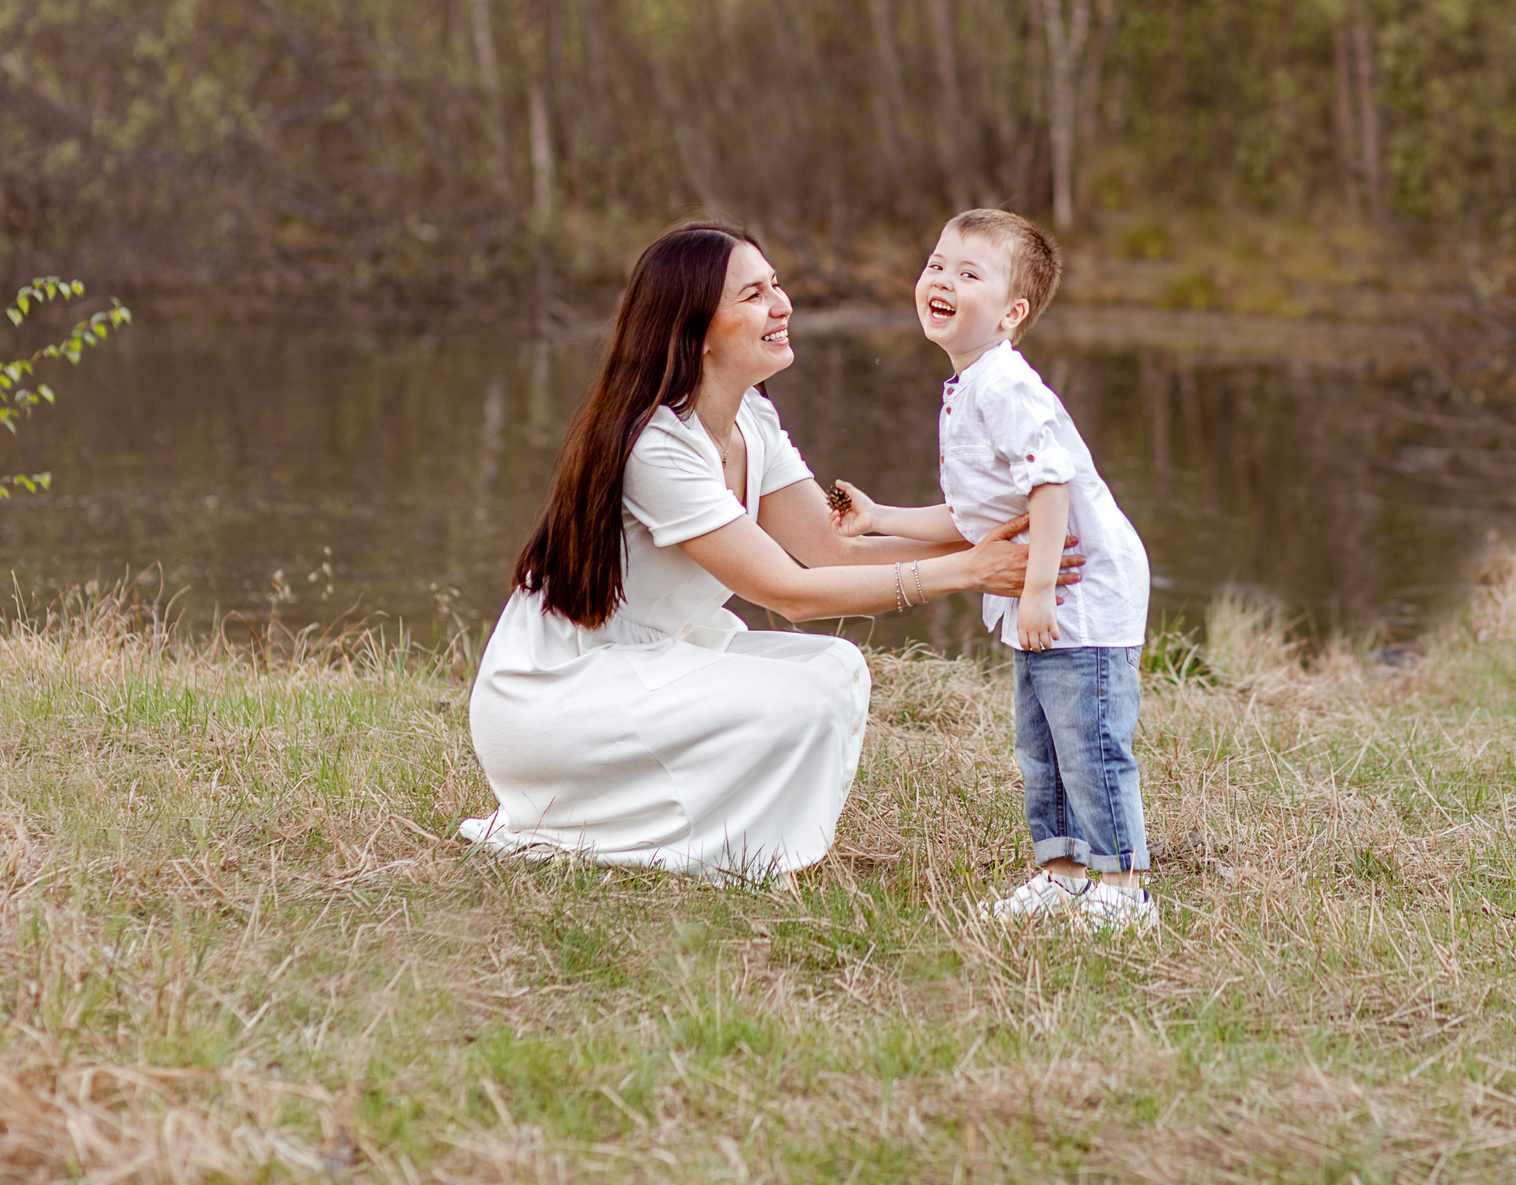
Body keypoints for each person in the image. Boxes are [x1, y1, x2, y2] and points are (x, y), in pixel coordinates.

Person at [460, 222, 1073, 881]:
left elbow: (830, 549)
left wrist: (994, 525)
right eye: (754, 294)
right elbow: (789, 592)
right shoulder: (657, 445)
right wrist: (969, 571)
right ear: (693, 324)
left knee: (836, 672)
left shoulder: (752, 415)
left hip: (655, 661)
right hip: (557, 697)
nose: (782, 304)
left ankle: (751, 847)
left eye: (777, 285)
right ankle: (670, 844)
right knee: (797, 703)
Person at [827, 209, 1159, 933]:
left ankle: (1123, 889)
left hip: (1079, 591)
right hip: (1040, 593)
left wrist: (1037, 586)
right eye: (937, 263)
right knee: (1040, 743)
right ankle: (1062, 875)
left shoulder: (1006, 387)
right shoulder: (969, 385)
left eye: (968, 273)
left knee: (1090, 738)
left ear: (1012, 314)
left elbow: (1050, 483)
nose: (942, 278)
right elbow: (977, 517)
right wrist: (881, 517)